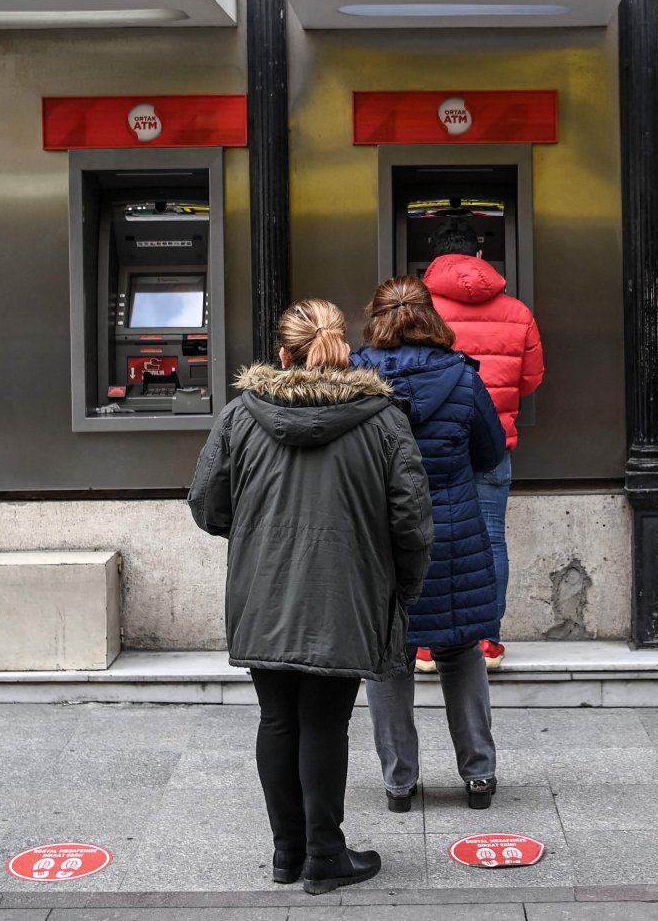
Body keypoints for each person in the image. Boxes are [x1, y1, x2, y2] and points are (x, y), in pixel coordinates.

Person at [187, 299, 433, 894]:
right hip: (346, 591)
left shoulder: (241, 416)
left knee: (276, 719)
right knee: (325, 722)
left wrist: (249, 537)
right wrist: (401, 587)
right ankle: (325, 855)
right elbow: (412, 520)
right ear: (342, 350)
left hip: (262, 591)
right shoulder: (382, 419)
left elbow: (205, 503)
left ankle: (286, 854)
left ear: (283, 353)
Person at [353, 276, 508, 812]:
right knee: (460, 646)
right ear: (430, 316)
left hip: (381, 536)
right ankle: (479, 776)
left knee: (388, 654)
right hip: (451, 532)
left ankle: (399, 783)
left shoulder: (354, 379)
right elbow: (490, 455)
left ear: (375, 319)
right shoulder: (463, 379)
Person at [423, 221, 544, 670]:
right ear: (478, 256)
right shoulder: (518, 311)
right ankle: (487, 642)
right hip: (493, 443)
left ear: (435, 259)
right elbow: (531, 379)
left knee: (430, 537)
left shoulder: (418, 310)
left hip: (433, 442)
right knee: (491, 539)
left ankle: (428, 645)